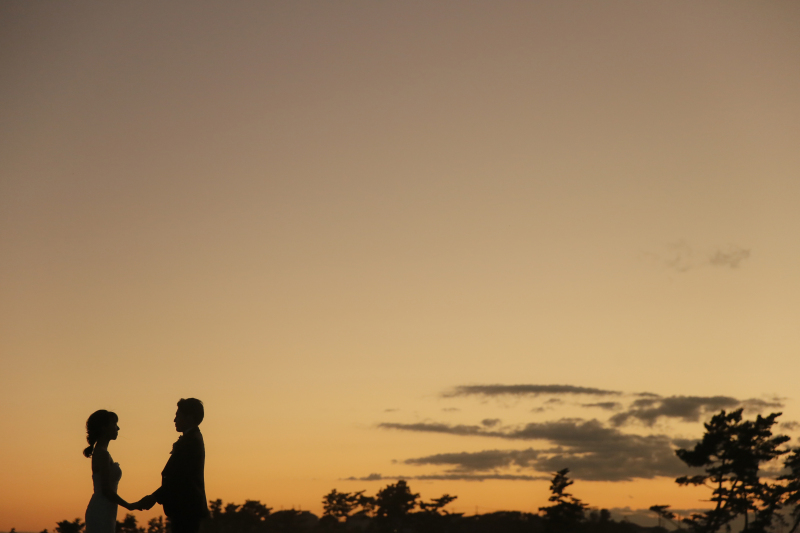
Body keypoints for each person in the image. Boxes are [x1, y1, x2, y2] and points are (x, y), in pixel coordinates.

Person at [134, 398, 209, 533]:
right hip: (186, 508)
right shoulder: (192, 438)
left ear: (190, 418)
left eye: (177, 416)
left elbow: (180, 477)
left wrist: (154, 497)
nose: (174, 420)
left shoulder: (190, 442)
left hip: (186, 508)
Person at [84, 410, 136, 533]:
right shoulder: (102, 454)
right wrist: (129, 505)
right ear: (104, 428)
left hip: (106, 508)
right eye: (114, 423)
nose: (117, 428)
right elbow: (106, 490)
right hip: (102, 509)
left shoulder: (102, 452)